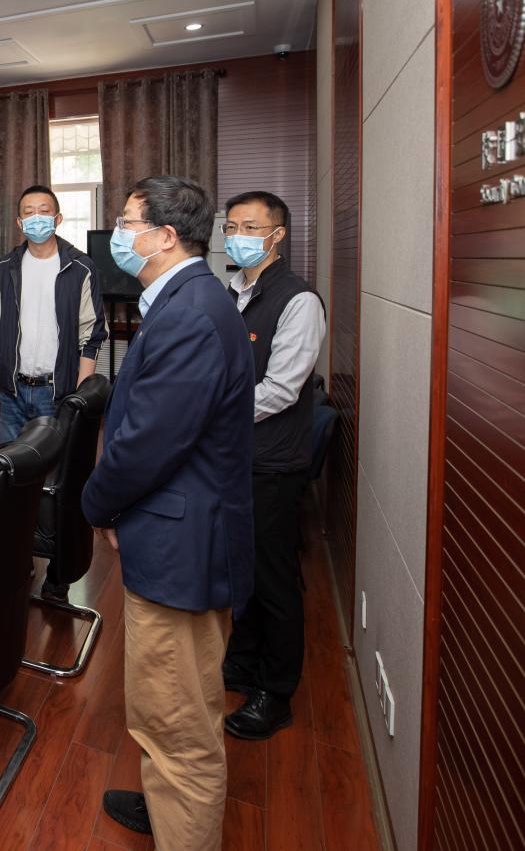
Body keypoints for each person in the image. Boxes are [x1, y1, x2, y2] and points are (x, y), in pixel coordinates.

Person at [81, 176, 255, 849]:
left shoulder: (189, 314)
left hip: (184, 546)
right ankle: (165, 810)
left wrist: (96, 503)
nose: (117, 234)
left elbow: (148, 443)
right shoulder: (188, 300)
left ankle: (184, 830)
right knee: (163, 705)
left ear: (165, 236)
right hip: (177, 531)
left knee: (178, 724)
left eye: (127, 222)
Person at [219, 191, 326, 741]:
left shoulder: (298, 300)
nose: (237, 236)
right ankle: (243, 662)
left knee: (273, 577)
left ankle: (276, 692)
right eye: (232, 226)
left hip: (273, 461)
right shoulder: (234, 292)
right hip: (236, 456)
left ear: (277, 235)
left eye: (250, 227)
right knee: (242, 567)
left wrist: (212, 411)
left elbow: (281, 389)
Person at [0, 184, 106, 441]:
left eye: (44, 211)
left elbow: (91, 337)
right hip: (11, 392)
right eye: (29, 212)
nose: (36, 218)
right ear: (19, 222)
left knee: (55, 463)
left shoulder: (80, 268)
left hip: (57, 393)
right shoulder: (4, 268)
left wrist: (78, 398)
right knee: (10, 463)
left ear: (58, 219)